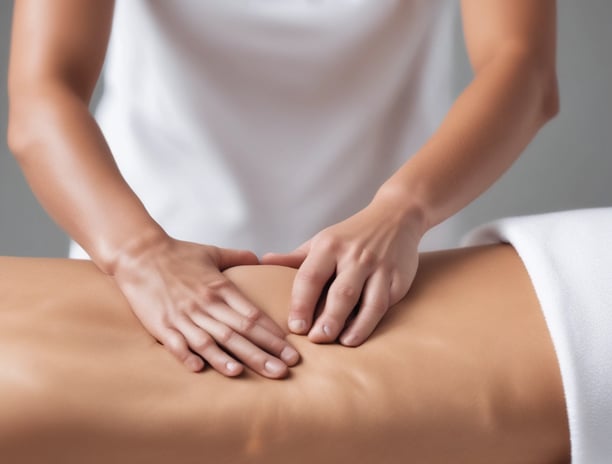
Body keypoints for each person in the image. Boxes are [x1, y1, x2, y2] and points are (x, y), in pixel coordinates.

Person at [7, 1, 559, 376]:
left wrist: (402, 210)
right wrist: (138, 253)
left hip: (385, 254)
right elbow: (42, 91)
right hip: (144, 247)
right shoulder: (139, 254)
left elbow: (522, 68)